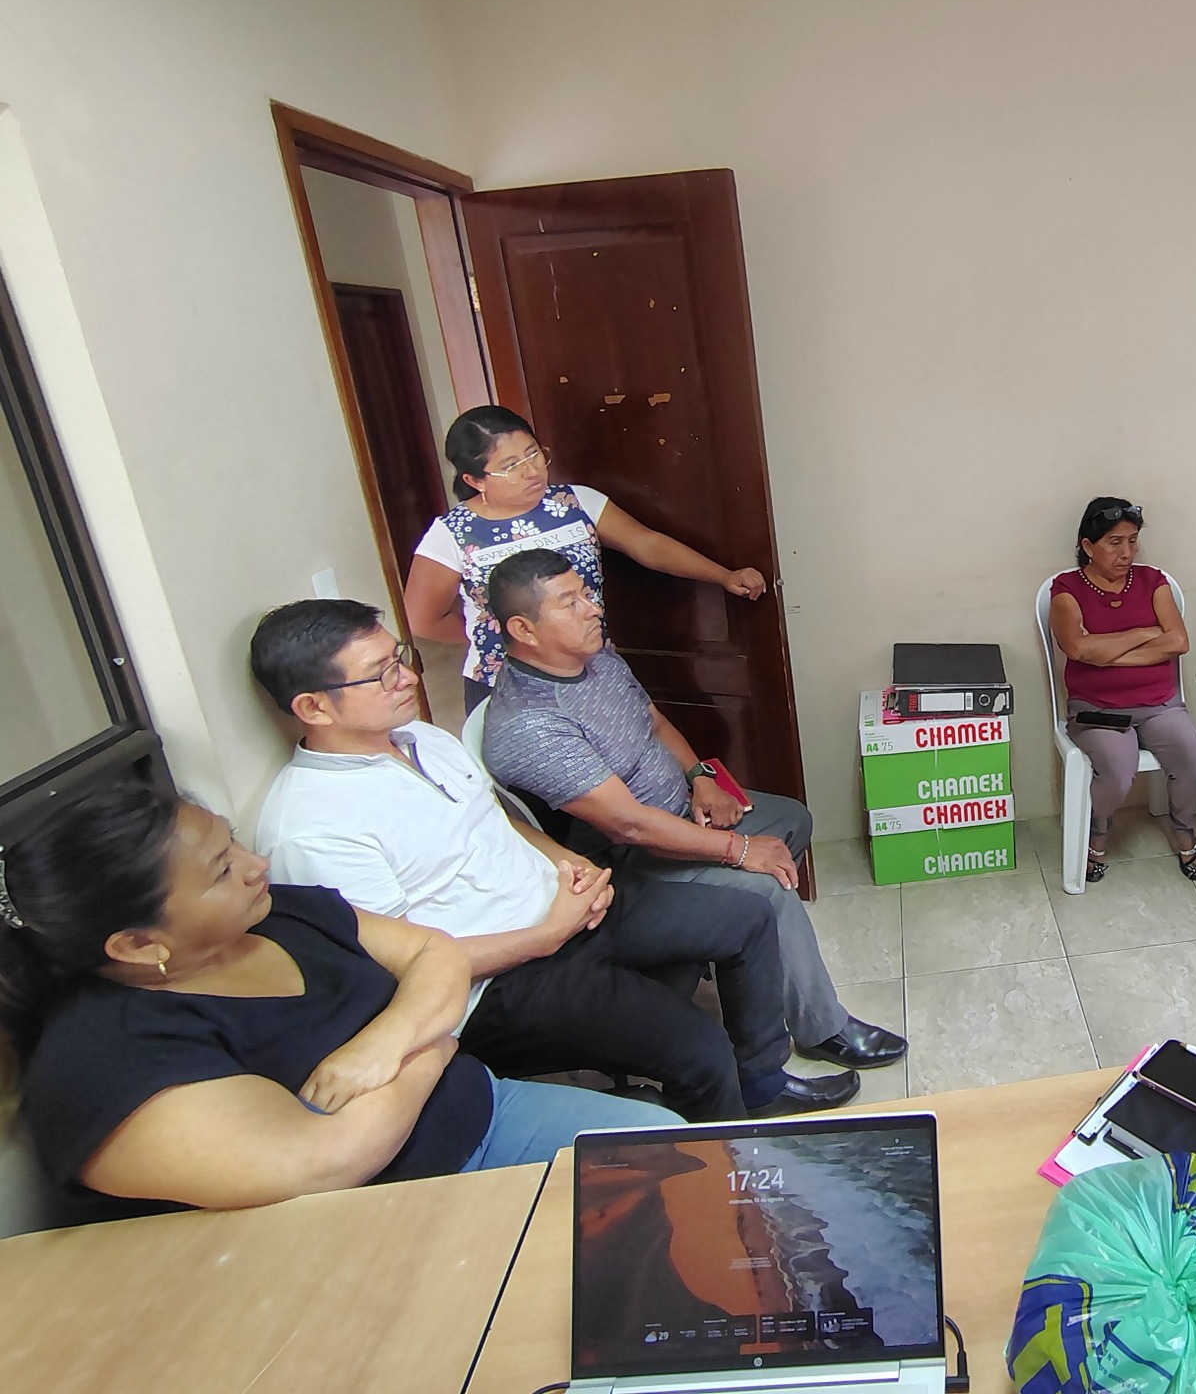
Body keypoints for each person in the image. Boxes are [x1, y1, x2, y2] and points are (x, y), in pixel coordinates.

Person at [250, 599, 858, 1121]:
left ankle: (763, 1084)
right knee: (698, 1047)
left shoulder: (420, 739)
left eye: (399, 659)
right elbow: (397, 965)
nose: (407, 678)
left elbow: (497, 819)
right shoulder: (312, 828)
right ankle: (722, 1166)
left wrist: (567, 861)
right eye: (380, 674)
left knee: (745, 917)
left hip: (563, 907)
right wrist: (544, 936)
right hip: (497, 983)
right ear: (314, 708)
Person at [0, 779, 655, 1218]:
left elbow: (438, 955)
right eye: (222, 870)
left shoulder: (273, 911)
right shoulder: (106, 1057)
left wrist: (387, 1043)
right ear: (139, 945)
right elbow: (328, 1159)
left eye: (232, 841)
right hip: (385, 1216)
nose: (256, 864)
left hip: (487, 1110)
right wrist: (432, 1047)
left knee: (673, 1159)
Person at [478, 550, 906, 1071]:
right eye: (571, 603)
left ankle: (743, 956)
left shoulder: (595, 658)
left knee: (791, 819)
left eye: (587, 594)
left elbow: (653, 722)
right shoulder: (531, 724)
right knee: (766, 890)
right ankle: (822, 1029)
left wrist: (701, 778)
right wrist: (738, 850)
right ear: (523, 629)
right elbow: (629, 825)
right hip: (629, 859)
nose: (593, 608)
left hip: (679, 810)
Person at [403, 405, 768, 711]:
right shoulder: (454, 533)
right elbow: (422, 619)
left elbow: (647, 544)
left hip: (593, 671)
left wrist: (723, 575)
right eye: (511, 465)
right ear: (475, 480)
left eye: (533, 454)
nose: (532, 471)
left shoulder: (575, 503)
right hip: (507, 686)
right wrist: (495, 635)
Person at [1046, 497, 1196, 891]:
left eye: (1133, 541)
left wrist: (1106, 651)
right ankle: (1097, 833)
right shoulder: (1066, 589)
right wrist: (1142, 633)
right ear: (1088, 546)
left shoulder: (1154, 582)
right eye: (1115, 543)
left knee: (1194, 758)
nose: (1126, 553)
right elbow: (1078, 648)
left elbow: (1179, 641)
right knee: (1118, 768)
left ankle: (1183, 827)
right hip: (1097, 709)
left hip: (1160, 704)